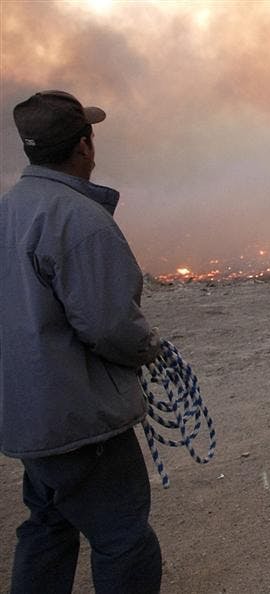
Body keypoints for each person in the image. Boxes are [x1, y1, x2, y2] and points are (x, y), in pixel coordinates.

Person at [1, 91, 162, 593]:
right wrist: (151, 346)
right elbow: (111, 326)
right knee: (124, 539)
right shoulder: (81, 220)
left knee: (48, 525)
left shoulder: (9, 210)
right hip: (79, 421)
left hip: (28, 414)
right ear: (84, 148)